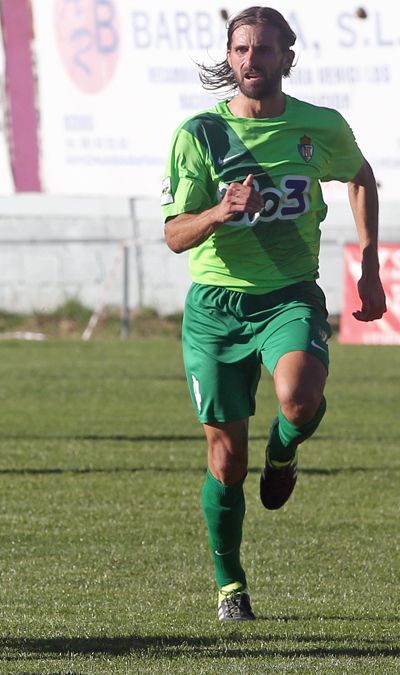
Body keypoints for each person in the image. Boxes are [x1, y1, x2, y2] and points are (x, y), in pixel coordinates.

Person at [162, 6, 385, 621]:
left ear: (288, 56)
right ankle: (229, 583)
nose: (250, 61)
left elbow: (361, 176)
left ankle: (284, 452)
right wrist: (217, 212)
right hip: (215, 307)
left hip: (289, 294)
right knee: (226, 460)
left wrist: (367, 266)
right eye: (240, 50)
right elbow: (175, 234)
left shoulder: (319, 127)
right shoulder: (198, 134)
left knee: (298, 399)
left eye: (264, 50)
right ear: (229, 56)